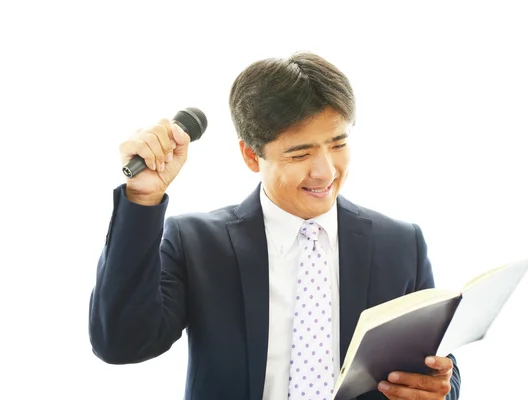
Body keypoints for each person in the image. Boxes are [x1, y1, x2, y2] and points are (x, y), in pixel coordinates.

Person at [88, 51, 461, 400]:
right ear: (252, 156)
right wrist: (142, 199)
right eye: (300, 153)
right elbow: (120, 342)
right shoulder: (196, 243)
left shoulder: (400, 244)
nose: (325, 171)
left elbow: (435, 361)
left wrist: (442, 386)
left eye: (337, 144)